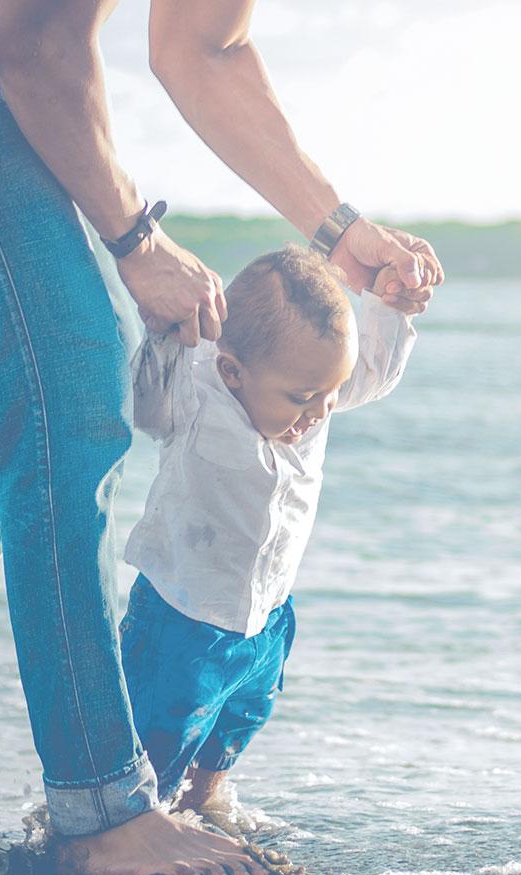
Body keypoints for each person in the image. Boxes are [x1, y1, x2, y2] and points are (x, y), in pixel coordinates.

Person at [0, 0, 444, 875]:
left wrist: (340, 232)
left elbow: (209, 46)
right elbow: (34, 42)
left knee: (70, 378)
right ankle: (100, 808)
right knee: (74, 372)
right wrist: (138, 240)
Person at [122, 246, 423, 827]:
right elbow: (144, 403)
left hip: (269, 615)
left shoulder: (312, 387)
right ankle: (139, 827)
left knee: (237, 723)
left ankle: (205, 807)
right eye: (303, 399)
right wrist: (163, 332)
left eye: (331, 392)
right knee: (158, 737)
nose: (321, 411)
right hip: (181, 619)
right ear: (233, 371)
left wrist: (391, 307)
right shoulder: (194, 392)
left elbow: (371, 372)